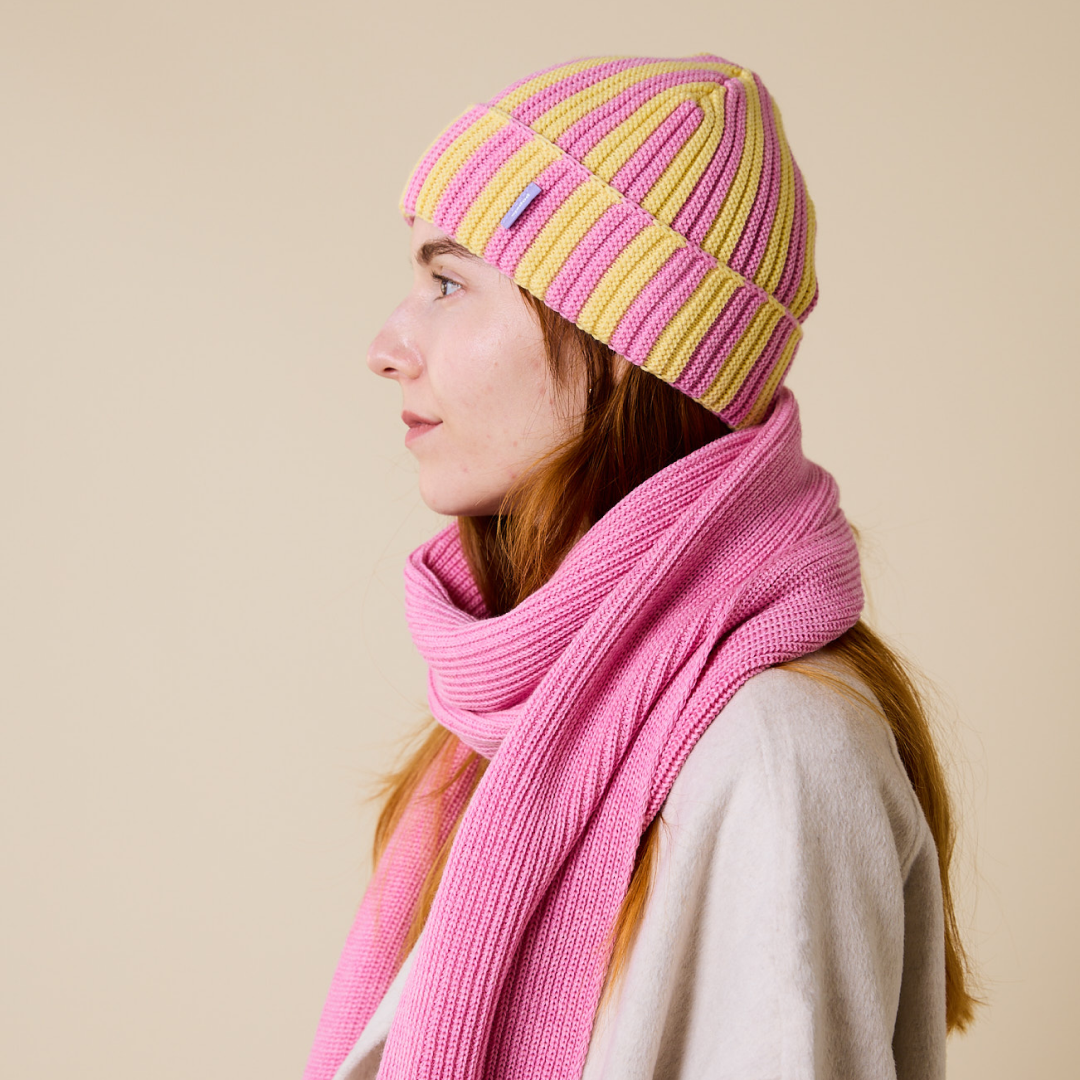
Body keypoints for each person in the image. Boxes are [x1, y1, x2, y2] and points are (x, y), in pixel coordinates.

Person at [304, 52, 978, 1080]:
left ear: (623, 340)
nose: (388, 346)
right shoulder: (523, 711)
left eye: (448, 283)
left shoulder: (779, 754)